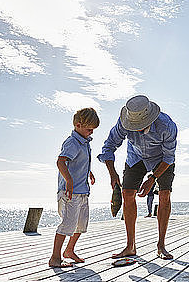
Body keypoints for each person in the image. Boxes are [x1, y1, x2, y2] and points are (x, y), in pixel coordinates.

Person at [98, 95, 177, 260]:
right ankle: (130, 246)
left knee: (164, 195)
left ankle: (161, 245)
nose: (137, 129)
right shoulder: (123, 123)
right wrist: (113, 174)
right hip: (136, 157)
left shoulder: (167, 126)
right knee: (127, 194)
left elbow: (169, 158)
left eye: (140, 126)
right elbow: (108, 147)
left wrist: (152, 178)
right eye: (133, 126)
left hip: (161, 159)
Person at [49, 108, 99, 268]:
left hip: (82, 190)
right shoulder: (72, 142)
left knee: (81, 224)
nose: (91, 132)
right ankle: (55, 258)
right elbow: (61, 161)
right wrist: (69, 180)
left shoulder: (84, 142)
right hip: (71, 192)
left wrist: (88, 172)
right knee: (68, 224)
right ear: (78, 125)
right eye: (89, 129)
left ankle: (69, 250)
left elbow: (78, 162)